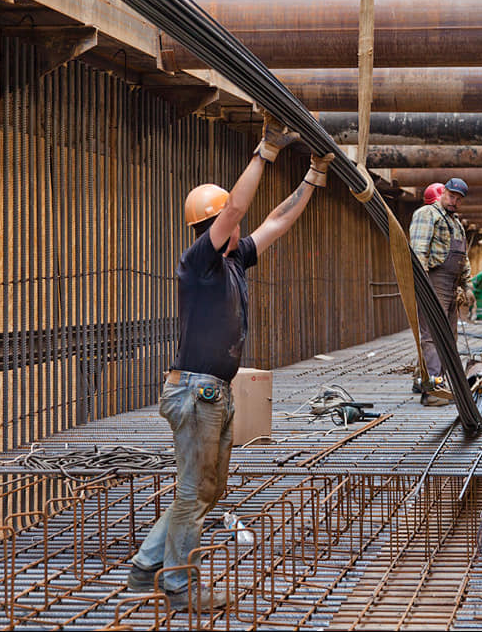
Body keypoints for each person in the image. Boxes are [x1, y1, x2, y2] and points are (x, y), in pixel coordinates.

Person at [125, 114, 334, 611]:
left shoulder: (235, 258)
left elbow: (275, 222)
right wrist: (266, 149)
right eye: (226, 218)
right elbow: (241, 204)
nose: (236, 221)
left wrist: (314, 175)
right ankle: (178, 585)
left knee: (206, 492)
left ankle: (145, 566)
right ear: (210, 223)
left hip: (213, 392)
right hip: (195, 392)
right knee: (194, 491)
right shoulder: (198, 261)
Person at [408, 177, 472, 406]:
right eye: (452, 195)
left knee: (448, 337)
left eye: (459, 199)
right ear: (444, 192)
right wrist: (424, 285)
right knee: (432, 336)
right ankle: (432, 391)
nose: (454, 201)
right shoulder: (428, 214)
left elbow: (463, 259)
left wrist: (468, 285)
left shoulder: (456, 223)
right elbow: (418, 252)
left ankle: (442, 383)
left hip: (451, 286)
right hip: (433, 281)